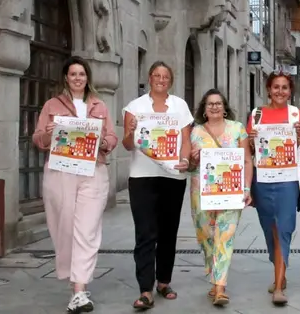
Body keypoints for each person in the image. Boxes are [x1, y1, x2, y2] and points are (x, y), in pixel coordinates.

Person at [32, 56, 118, 314]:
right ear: (66, 78)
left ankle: (79, 291)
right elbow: (37, 138)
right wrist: (52, 132)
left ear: (87, 78)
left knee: (87, 230)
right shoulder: (51, 105)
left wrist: (102, 140)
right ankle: (74, 283)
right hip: (60, 171)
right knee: (65, 227)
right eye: (73, 74)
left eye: (82, 74)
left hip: (93, 172)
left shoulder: (99, 106)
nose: (78, 78)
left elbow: (112, 138)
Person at [122, 62, 194, 311]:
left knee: (168, 231)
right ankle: (145, 289)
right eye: (156, 75)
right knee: (144, 232)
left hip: (173, 176)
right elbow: (128, 145)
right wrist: (130, 132)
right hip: (142, 176)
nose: (161, 79)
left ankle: (164, 281)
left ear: (170, 81)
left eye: (165, 76)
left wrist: (184, 159)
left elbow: (186, 140)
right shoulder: (135, 107)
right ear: (149, 78)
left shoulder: (180, 106)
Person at [246, 72, 300, 305]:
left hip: (288, 181)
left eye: (284, 88)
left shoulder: (296, 115)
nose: (280, 91)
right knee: (268, 229)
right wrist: (251, 139)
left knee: (283, 229)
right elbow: (250, 151)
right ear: (268, 89)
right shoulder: (257, 114)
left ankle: (279, 286)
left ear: (290, 91)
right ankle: (278, 271)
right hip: (263, 181)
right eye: (276, 87)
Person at [187, 89, 252, 306]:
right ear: (204, 110)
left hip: (231, 192)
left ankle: (220, 288)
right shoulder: (194, 132)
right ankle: (214, 277)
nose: (214, 107)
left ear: (225, 107)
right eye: (210, 104)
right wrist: (193, 160)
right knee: (206, 237)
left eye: (218, 103)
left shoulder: (237, 129)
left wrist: (247, 189)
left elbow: (247, 161)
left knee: (225, 237)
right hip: (201, 194)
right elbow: (188, 166)